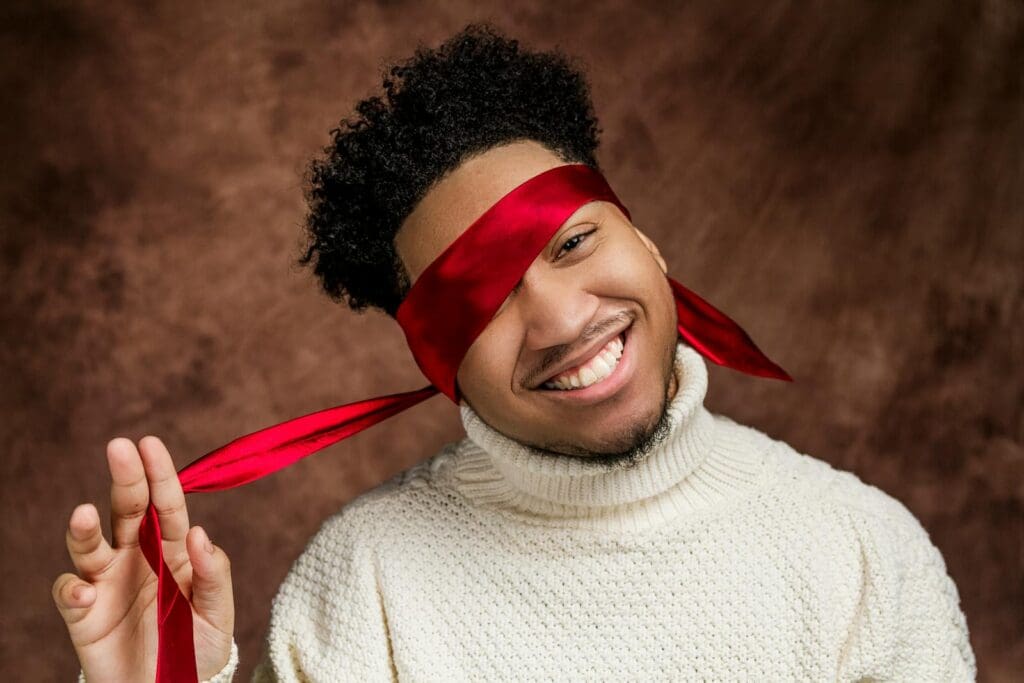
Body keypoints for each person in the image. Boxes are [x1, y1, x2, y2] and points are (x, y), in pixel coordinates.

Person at [52, 23, 976, 682]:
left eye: (573, 243)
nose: (562, 317)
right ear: (437, 363)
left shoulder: (863, 553)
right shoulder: (365, 588)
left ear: (644, 243)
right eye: (480, 300)